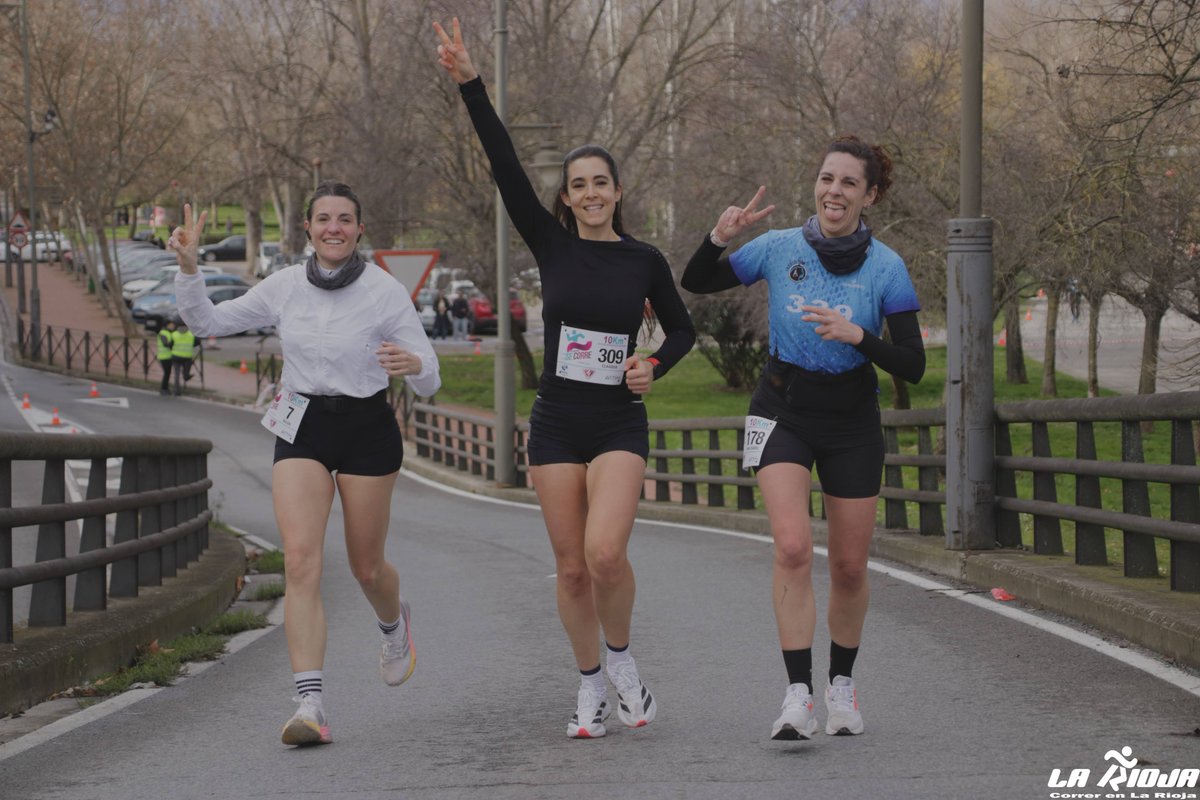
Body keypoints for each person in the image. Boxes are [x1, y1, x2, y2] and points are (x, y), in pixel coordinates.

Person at [436, 17, 696, 740]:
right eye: (577, 185)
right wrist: (471, 86)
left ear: (617, 191)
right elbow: (504, 167)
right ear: (567, 197)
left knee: (605, 554)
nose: (589, 194)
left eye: (600, 184)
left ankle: (622, 663)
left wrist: (653, 366)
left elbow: (683, 330)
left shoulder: (642, 260)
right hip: (555, 421)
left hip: (616, 420)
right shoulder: (550, 244)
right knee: (571, 569)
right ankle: (588, 687)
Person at [167, 181, 441, 747]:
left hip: (367, 429)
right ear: (308, 229)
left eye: (345, 219)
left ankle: (394, 624)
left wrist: (413, 362)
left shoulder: (384, 292)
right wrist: (190, 269)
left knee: (368, 568)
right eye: (323, 219)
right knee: (300, 561)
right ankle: (309, 703)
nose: (334, 228)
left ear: (359, 229)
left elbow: (432, 377)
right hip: (303, 427)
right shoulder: (285, 286)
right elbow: (207, 324)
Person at [681, 138, 925, 741]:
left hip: (850, 420)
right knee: (791, 547)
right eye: (825, 178)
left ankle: (841, 687)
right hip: (782, 408)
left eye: (848, 183)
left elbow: (914, 364)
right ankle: (797, 695)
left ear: (870, 195)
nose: (833, 191)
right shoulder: (779, 246)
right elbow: (696, 280)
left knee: (847, 564)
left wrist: (857, 337)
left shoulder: (887, 267)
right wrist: (721, 235)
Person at [169, 318, 197, 396]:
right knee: (185, 373)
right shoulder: (191, 334)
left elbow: (170, 345)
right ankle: (186, 377)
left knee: (176, 375)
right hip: (187, 357)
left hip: (176, 357)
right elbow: (197, 342)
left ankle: (177, 391)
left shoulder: (174, 334)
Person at [157, 320, 175, 396]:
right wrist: (173, 343)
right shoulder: (163, 333)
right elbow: (165, 344)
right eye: (171, 325)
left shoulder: (169, 333)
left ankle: (165, 388)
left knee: (168, 373)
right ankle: (163, 389)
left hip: (169, 356)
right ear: (166, 325)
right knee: (167, 373)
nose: (172, 326)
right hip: (163, 357)